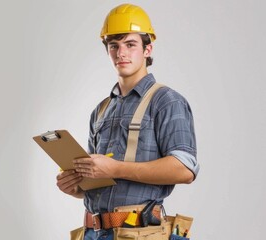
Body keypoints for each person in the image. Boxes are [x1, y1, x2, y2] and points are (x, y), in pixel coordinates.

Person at [56, 3, 200, 240]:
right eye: (114, 46)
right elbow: (99, 178)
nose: (121, 53)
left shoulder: (166, 101)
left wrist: (116, 168)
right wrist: (75, 187)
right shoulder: (101, 110)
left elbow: (185, 169)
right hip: (94, 233)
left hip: (140, 233)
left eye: (130, 44)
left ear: (147, 49)